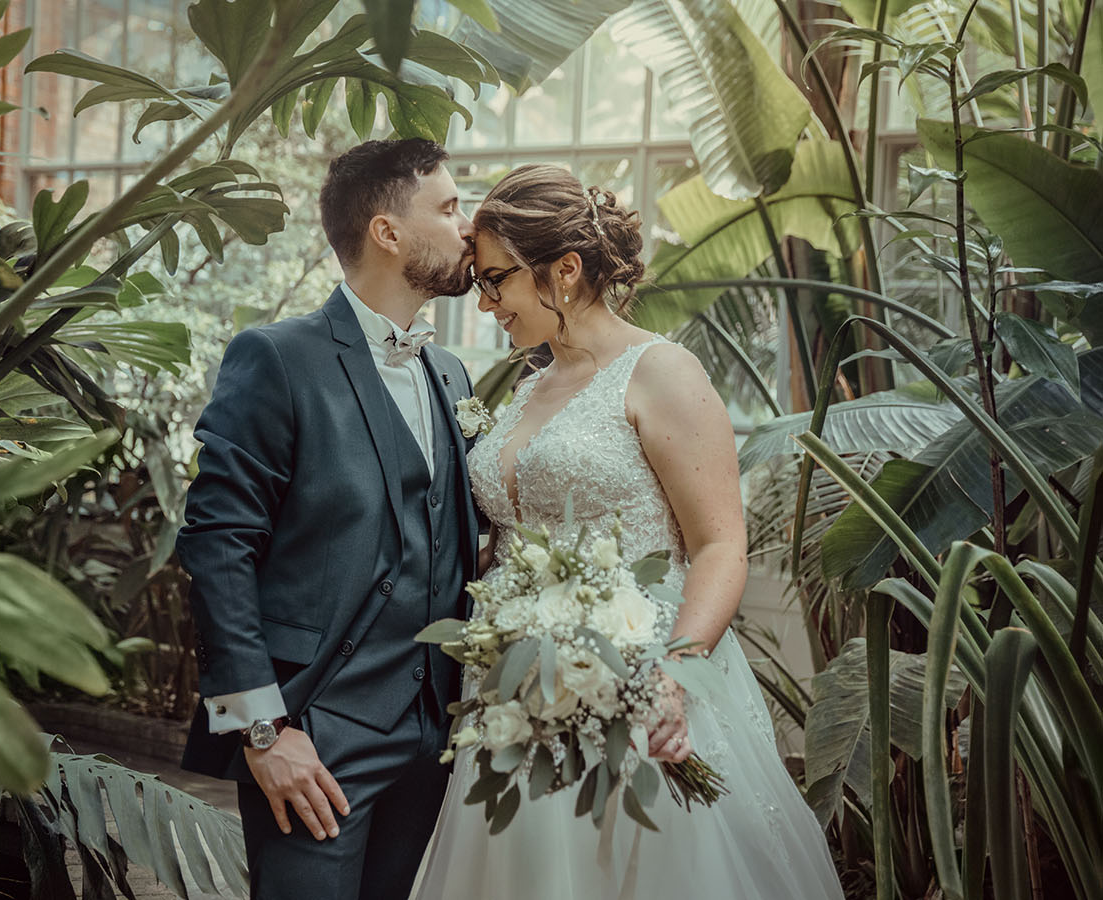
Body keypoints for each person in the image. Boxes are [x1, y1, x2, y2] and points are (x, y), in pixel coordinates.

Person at [414, 165, 844, 900]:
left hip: (643, 687)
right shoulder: (526, 390)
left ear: (567, 269)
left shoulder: (662, 372)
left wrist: (674, 676)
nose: (486, 304)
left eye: (497, 282)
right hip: (515, 702)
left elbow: (719, 546)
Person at [176, 138, 484, 900]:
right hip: (316, 734)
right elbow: (218, 547)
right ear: (387, 232)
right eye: (448, 208)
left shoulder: (451, 373)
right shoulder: (277, 358)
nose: (467, 227)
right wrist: (261, 730)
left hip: (440, 736)